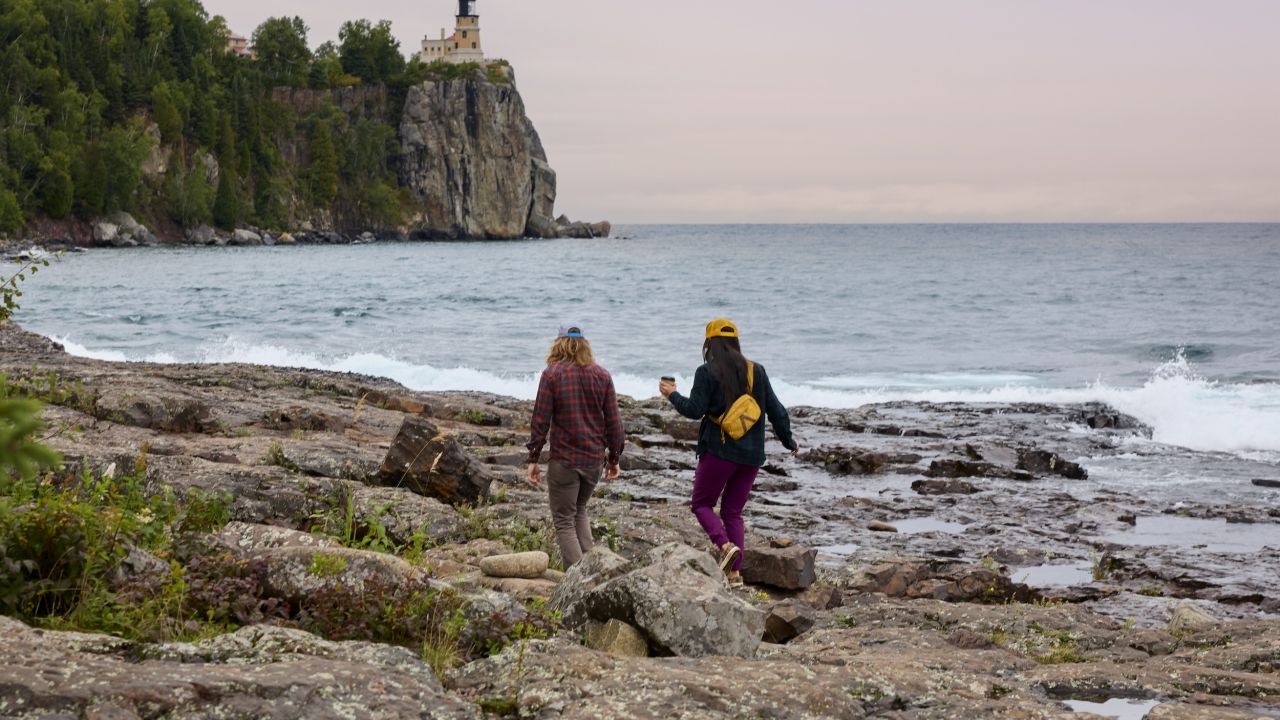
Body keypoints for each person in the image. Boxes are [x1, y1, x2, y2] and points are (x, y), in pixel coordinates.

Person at [659, 318, 799, 587]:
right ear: (736, 342)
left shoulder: (707, 372)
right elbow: (776, 410)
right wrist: (789, 441)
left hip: (719, 453)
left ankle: (724, 547)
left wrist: (672, 395)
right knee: (733, 513)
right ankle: (734, 574)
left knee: (701, 504)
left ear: (709, 343)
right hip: (751, 457)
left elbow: (694, 410)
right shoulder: (756, 371)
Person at [526, 322, 625, 568]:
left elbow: (541, 418)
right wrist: (614, 458)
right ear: (584, 346)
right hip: (592, 460)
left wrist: (533, 459)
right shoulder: (602, 375)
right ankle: (590, 571)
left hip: (564, 461)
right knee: (579, 510)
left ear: (558, 344)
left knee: (563, 520)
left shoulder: (552, 374)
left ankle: (577, 581)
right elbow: (614, 422)